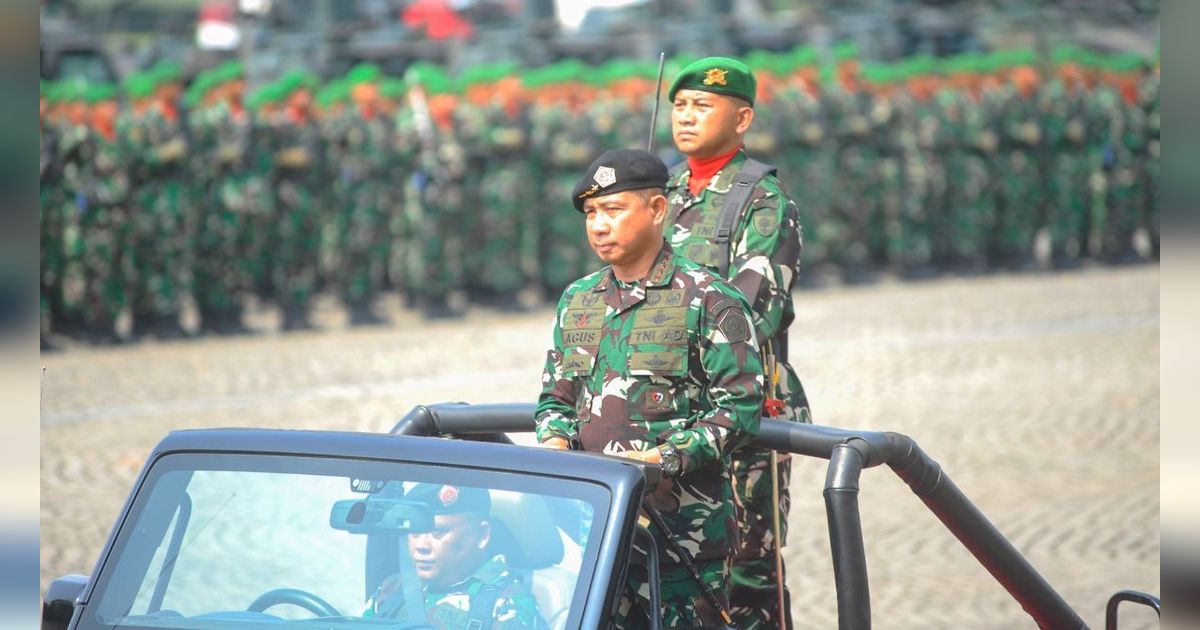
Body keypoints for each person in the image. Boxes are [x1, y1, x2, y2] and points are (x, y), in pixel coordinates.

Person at [535, 148, 764, 629]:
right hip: (595, 533)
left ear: (657, 209)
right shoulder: (578, 299)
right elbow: (556, 399)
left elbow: (739, 408)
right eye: (592, 213)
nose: (599, 225)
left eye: (614, 210)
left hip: (682, 540)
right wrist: (554, 450)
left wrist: (660, 462)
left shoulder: (708, 298)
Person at [662, 56, 810, 629]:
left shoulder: (762, 201)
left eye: (703, 105)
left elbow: (751, 314)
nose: (687, 117)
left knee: (745, 576)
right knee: (671, 570)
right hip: (662, 411)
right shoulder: (658, 191)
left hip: (738, 411)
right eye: (680, 105)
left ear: (741, 117)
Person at [366, 483, 548, 629]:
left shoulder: (507, 606)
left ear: (482, 535)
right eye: (415, 532)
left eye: (437, 532)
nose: (421, 545)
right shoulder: (392, 589)